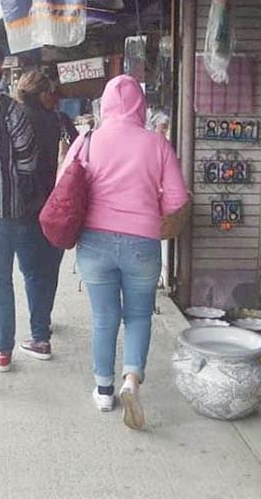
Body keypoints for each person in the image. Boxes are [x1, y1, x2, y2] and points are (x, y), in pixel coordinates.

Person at [63, 75, 188, 427]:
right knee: (138, 316)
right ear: (140, 107)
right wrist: (150, 204)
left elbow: (63, 186)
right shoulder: (157, 144)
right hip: (142, 243)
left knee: (104, 317)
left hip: (94, 243)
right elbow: (177, 199)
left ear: (105, 105)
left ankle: (104, 390)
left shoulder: (87, 140)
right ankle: (131, 380)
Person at [0, 39, 38, 389]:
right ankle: (2, 352)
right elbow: (29, 160)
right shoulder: (11, 110)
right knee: (0, 281)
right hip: (3, 211)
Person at [13, 70, 78, 360]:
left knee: (32, 273)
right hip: (58, 206)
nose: (55, 97)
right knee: (49, 268)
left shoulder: (15, 119)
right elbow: (81, 153)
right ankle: (43, 322)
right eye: (52, 92)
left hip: (24, 208)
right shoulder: (59, 120)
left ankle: (40, 337)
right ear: (42, 95)